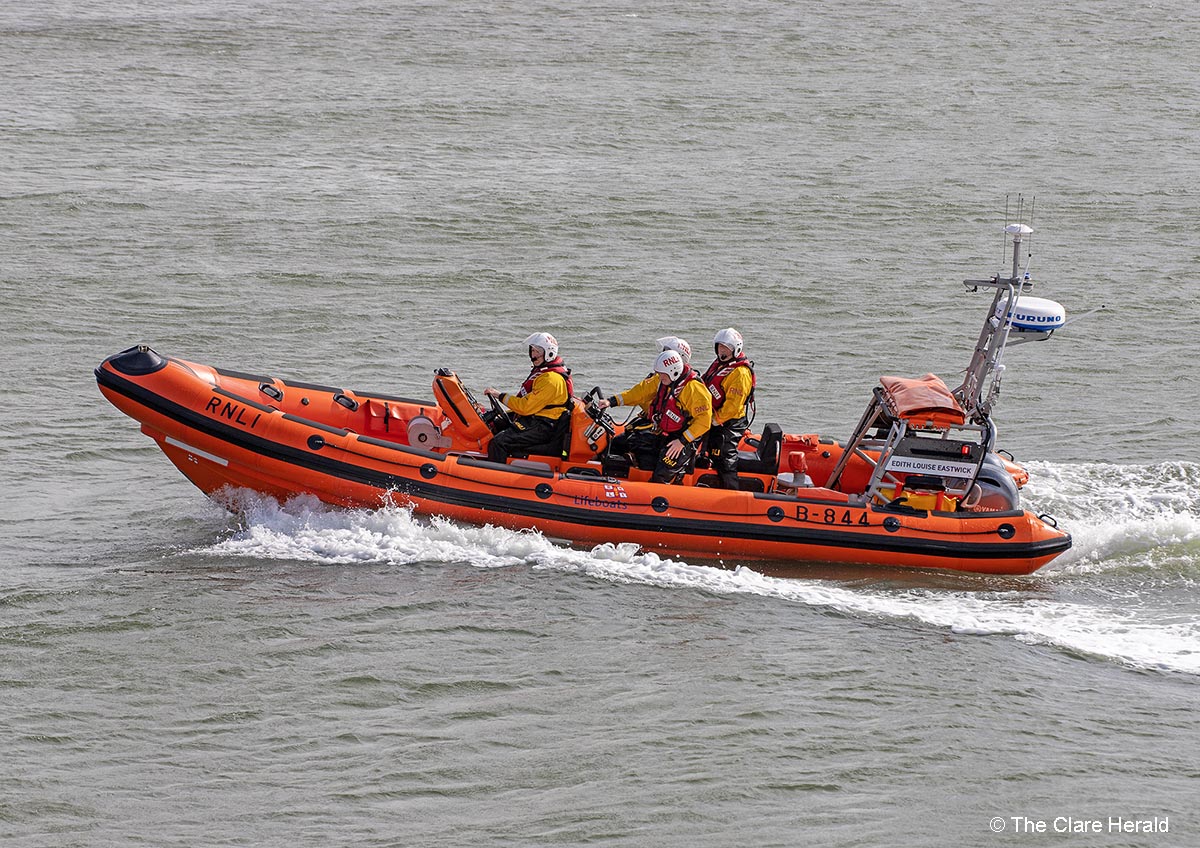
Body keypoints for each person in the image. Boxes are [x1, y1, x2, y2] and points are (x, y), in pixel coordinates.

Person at [597, 349, 712, 484]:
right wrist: (611, 401)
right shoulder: (662, 381)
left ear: (674, 371)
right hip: (665, 432)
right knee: (624, 443)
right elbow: (639, 392)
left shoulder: (694, 389)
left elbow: (704, 420)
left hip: (684, 439)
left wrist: (682, 441)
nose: (660, 377)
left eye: (662, 374)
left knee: (661, 474)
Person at [483, 332, 573, 464]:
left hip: (544, 426)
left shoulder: (551, 380)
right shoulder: (545, 373)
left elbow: (525, 407)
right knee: (496, 424)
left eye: (537, 351)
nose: (533, 355)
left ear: (549, 353)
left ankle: (494, 477)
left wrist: (499, 395)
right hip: (538, 419)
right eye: (532, 350)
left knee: (499, 442)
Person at [700, 327, 756, 489]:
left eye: (726, 348)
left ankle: (732, 491)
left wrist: (712, 421)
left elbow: (732, 407)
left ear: (735, 349)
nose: (722, 351)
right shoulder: (719, 364)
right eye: (720, 347)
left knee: (725, 458)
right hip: (712, 417)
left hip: (729, 423)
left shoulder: (740, 373)